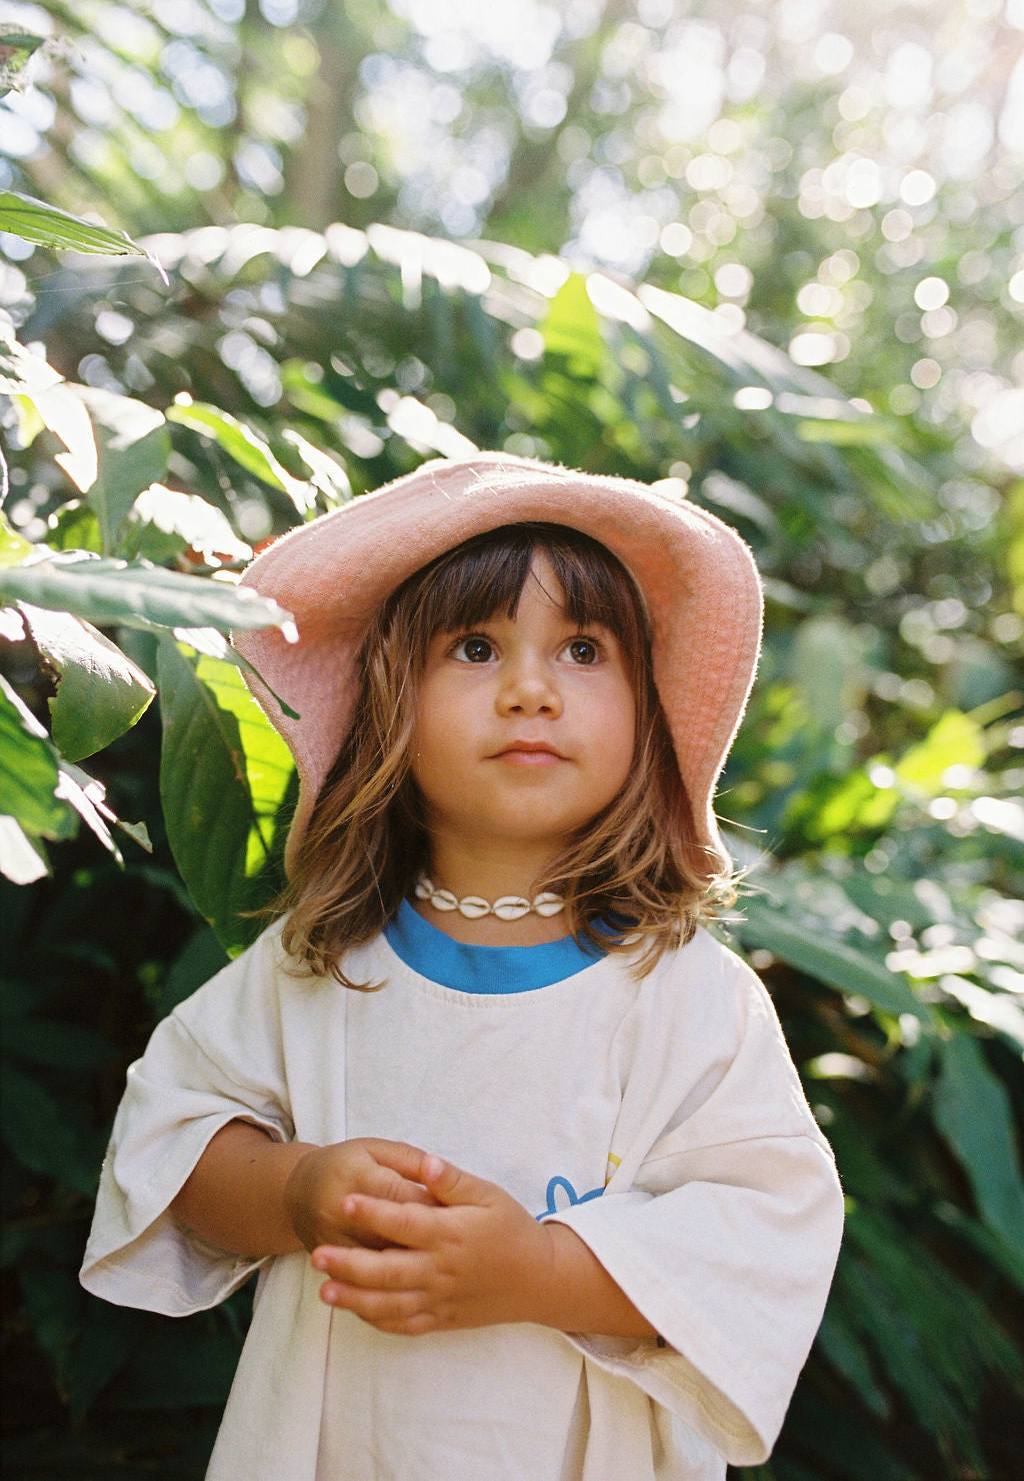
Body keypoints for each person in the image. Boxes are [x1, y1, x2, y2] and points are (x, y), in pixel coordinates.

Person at [81, 454, 844, 1481]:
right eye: (477, 647)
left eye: (581, 648)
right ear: (388, 702)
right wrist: (299, 1189)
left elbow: (763, 1232)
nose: (530, 690)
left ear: (650, 709)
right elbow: (169, 1147)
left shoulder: (686, 995)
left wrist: (536, 1270)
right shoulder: (315, 966)